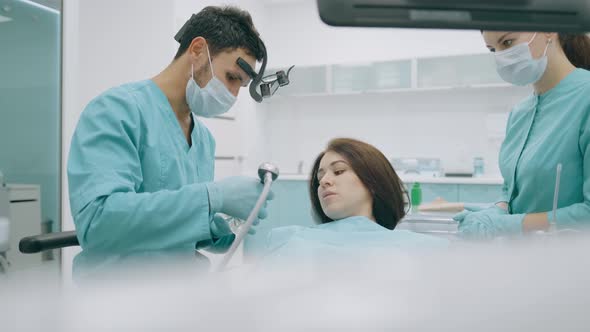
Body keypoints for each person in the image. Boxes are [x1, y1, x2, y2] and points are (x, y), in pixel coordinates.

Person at [67, 6, 273, 256]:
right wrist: (213, 197)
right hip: (119, 288)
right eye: (231, 77)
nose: (233, 94)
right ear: (197, 50)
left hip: (181, 287)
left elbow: (183, 230)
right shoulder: (116, 111)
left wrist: (223, 227)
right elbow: (98, 223)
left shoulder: (203, 139)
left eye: (240, 85)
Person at [454, 31, 590, 239]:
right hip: (523, 259)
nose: (501, 56)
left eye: (507, 42)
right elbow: (511, 191)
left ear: (548, 31)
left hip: (573, 262)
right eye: (492, 49)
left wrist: (506, 224)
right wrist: (496, 211)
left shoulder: (585, 98)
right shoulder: (519, 113)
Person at [257, 138, 448, 264]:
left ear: (373, 181)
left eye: (339, 171)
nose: (324, 181)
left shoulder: (424, 249)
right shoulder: (287, 240)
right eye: (319, 178)